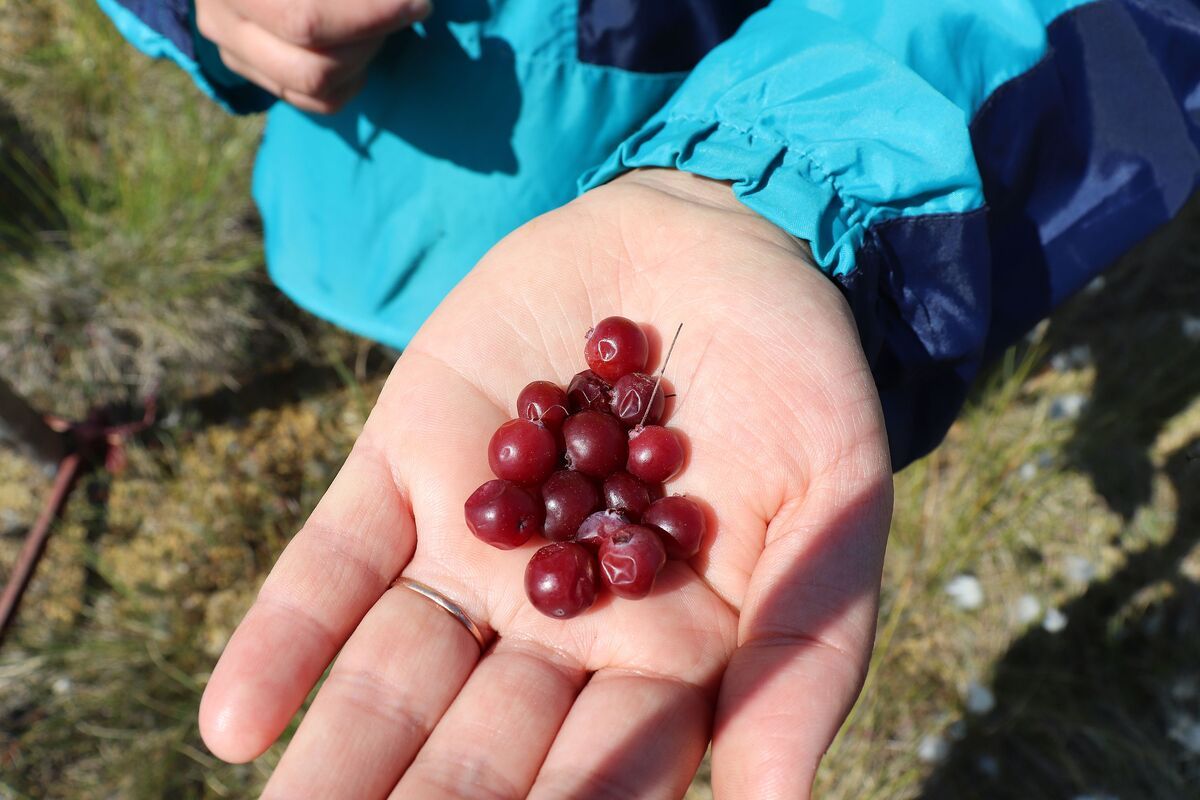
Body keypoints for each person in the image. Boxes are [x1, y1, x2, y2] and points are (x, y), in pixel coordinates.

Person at [98, 0, 1200, 796]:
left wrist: (779, 182)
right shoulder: (572, 431)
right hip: (451, 99)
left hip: (821, 73)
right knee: (399, 241)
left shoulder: (610, 457)